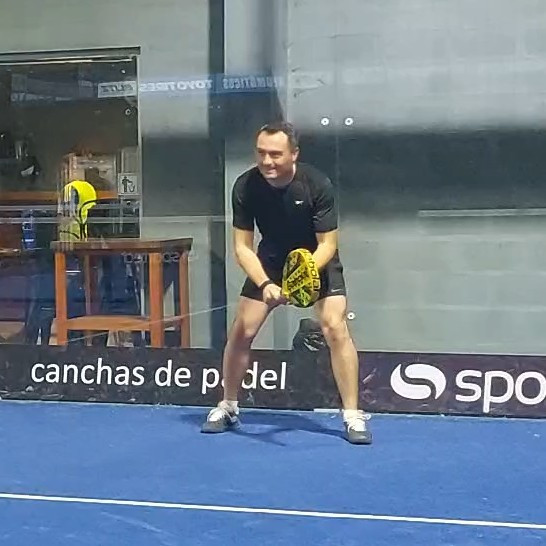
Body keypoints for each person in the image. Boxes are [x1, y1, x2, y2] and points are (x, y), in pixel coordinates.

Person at [201, 121, 372, 445]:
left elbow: (328, 245)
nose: (267, 161)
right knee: (242, 330)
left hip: (316, 260)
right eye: (261, 153)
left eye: (275, 154)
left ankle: (353, 415)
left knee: (335, 327)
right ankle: (228, 406)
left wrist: (301, 276)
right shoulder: (245, 186)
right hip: (270, 262)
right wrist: (266, 283)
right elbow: (242, 248)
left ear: (294, 154)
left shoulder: (317, 184)